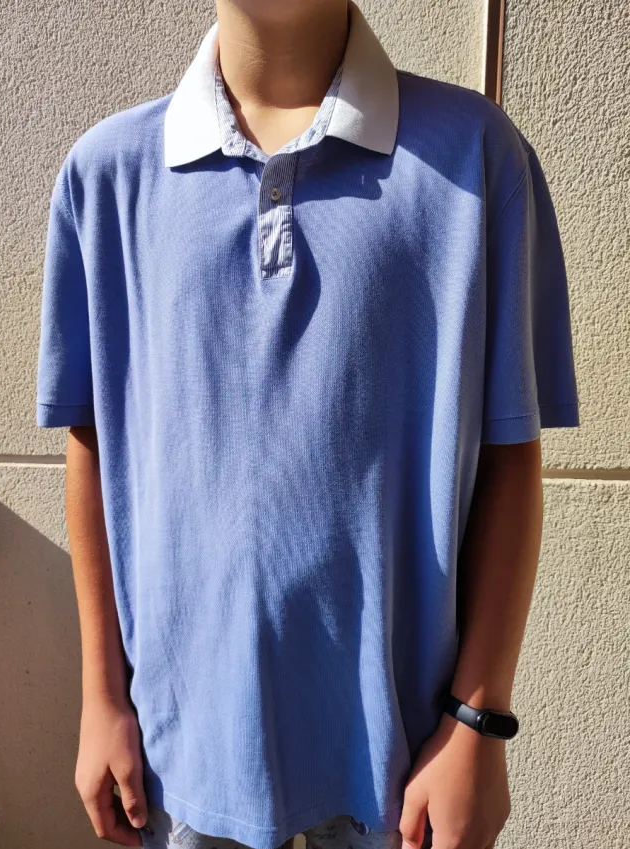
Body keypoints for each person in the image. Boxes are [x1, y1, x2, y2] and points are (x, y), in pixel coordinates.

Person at [35, 1, 580, 848]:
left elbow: (511, 453)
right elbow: (95, 443)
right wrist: (102, 697)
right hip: (183, 758)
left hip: (403, 766)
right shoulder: (107, 178)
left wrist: (478, 718)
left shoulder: (475, 159)